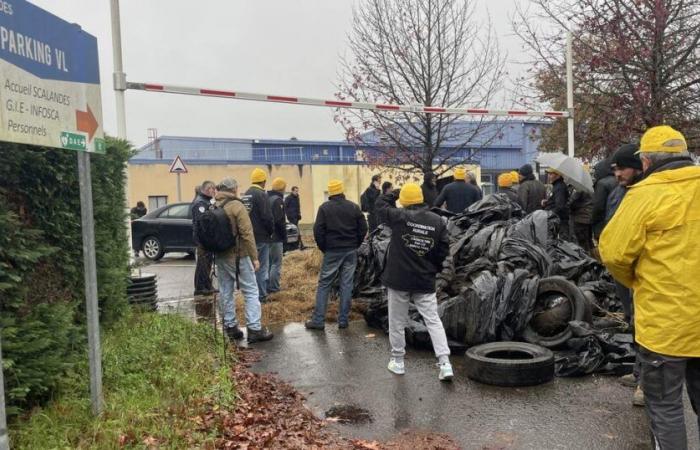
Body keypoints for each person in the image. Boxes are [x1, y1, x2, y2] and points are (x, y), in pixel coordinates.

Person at [600, 125, 700, 450]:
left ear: (645, 161)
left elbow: (614, 254)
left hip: (664, 329)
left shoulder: (643, 195)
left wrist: (635, 281)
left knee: (667, 409)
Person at [375, 184, 453, 381]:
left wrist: (391, 194)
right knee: (433, 320)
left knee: (397, 321)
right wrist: (432, 268)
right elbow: (444, 249)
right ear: (421, 199)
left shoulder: (399, 217)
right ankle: (445, 364)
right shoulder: (437, 221)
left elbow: (379, 206)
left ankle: (398, 361)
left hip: (399, 279)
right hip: (424, 279)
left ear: (404, 201)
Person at [604, 143, 645, 407]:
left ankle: (646, 384)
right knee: (632, 321)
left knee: (645, 325)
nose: (619, 174)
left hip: (642, 272)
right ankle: (640, 372)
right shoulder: (618, 192)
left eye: (624, 168)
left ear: (639, 167)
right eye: (616, 169)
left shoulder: (645, 194)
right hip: (623, 271)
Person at [213, 177, 273, 344]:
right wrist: (255, 257)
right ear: (233, 189)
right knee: (251, 290)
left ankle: (231, 327)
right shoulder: (237, 206)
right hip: (239, 255)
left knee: (225, 290)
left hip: (220, 255)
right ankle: (254, 328)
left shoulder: (215, 205)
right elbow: (247, 233)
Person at [306, 180, 367, 330]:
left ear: (330, 193)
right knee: (346, 285)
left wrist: (324, 248)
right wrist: (356, 244)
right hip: (350, 250)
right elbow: (363, 227)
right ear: (342, 191)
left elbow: (318, 230)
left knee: (324, 284)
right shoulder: (353, 207)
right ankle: (343, 321)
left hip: (332, 250)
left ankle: (318, 321)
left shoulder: (324, 208)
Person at [242, 168, 274, 303]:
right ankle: (261, 296)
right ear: (264, 182)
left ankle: (251, 295)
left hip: (248, 237)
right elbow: (267, 217)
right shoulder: (262, 195)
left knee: (251, 268)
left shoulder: (246, 194)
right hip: (261, 237)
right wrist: (271, 231)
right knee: (261, 267)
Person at [191, 180, 217, 296]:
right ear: (208, 189)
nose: (215, 191)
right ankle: (200, 287)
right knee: (203, 263)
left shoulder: (207, 201)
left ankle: (207, 285)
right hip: (203, 238)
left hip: (209, 238)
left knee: (208, 262)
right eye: (213, 189)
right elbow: (202, 222)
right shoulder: (200, 203)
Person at [267, 177, 287, 295]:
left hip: (267, 237)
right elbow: (280, 221)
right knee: (276, 263)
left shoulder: (267, 198)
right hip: (276, 237)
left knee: (269, 263)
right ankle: (274, 288)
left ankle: (267, 286)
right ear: (282, 188)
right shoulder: (278, 201)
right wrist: (284, 237)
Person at [591, 158, 617, 240]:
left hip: (603, 223)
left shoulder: (601, 184)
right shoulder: (618, 180)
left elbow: (598, 206)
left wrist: (592, 219)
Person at [543, 169, 571, 240]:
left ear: (558, 175)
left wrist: (549, 214)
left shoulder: (559, 187)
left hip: (560, 220)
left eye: (551, 174)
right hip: (557, 219)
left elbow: (559, 205)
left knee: (563, 242)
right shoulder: (557, 186)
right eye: (549, 174)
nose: (549, 176)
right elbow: (556, 201)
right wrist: (547, 202)